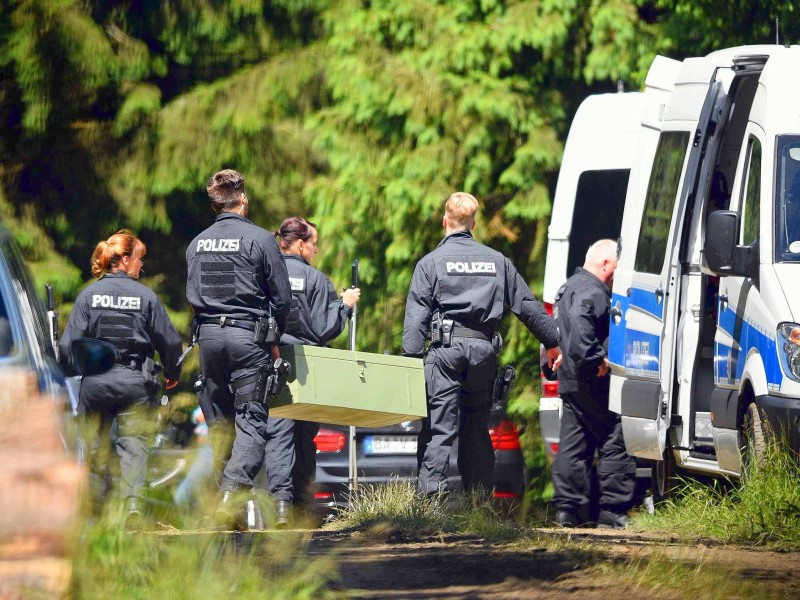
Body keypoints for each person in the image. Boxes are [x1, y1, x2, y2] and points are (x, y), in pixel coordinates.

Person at [402, 192, 561, 497]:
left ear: (444, 221)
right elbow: (526, 305)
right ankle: (479, 501)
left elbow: (416, 317)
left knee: (439, 426)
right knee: (476, 427)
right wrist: (552, 342)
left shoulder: (430, 263)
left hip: (445, 353)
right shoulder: (497, 261)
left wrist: (409, 362)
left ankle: (430, 500)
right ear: (473, 224)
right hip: (483, 353)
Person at [186, 168, 291, 527]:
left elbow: (193, 299)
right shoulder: (261, 240)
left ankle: (224, 506)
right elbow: (282, 299)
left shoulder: (196, 243)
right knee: (252, 423)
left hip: (209, 340)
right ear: (242, 199)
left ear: (216, 204)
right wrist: (274, 341)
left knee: (221, 424)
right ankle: (230, 494)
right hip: (248, 340)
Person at [60, 229, 183, 520]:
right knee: (134, 445)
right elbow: (170, 342)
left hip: (95, 383)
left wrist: (73, 371)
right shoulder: (146, 296)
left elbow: (67, 346)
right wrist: (172, 372)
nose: (142, 266)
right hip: (133, 383)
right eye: (140, 259)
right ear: (125, 259)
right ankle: (132, 506)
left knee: (96, 448)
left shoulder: (89, 295)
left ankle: (97, 514)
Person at [260, 217, 361, 525]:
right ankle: (302, 507)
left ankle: (279, 505)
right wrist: (344, 305)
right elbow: (323, 328)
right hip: (306, 365)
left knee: (278, 433)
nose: (316, 251)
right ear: (301, 244)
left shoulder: (264, 275)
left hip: (271, 360)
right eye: (315, 244)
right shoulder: (316, 280)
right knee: (305, 436)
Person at [550, 238, 636, 529]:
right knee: (616, 436)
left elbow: (555, 330)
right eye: (616, 268)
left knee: (574, 442)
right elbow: (580, 319)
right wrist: (595, 357)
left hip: (571, 380)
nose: (616, 277)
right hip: (593, 379)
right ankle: (612, 511)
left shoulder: (567, 287)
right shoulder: (593, 290)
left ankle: (568, 510)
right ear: (605, 263)